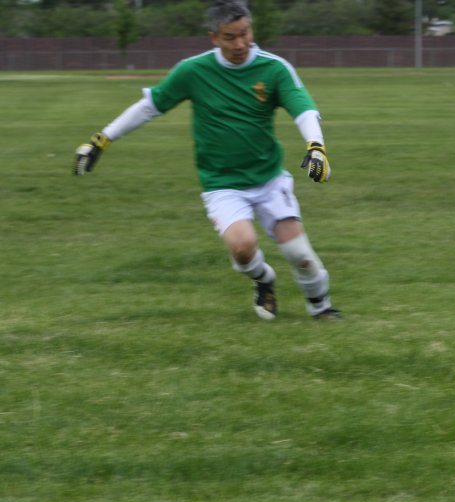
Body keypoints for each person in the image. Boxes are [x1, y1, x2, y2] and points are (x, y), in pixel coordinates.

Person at [73, 0, 341, 321]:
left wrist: (316, 146)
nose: (240, 44)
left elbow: (303, 108)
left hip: (268, 178)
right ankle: (263, 279)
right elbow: (149, 107)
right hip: (221, 183)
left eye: (245, 33)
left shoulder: (274, 68)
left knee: (298, 253)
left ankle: (320, 308)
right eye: (230, 37)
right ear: (214, 37)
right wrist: (101, 140)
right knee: (242, 249)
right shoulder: (193, 70)